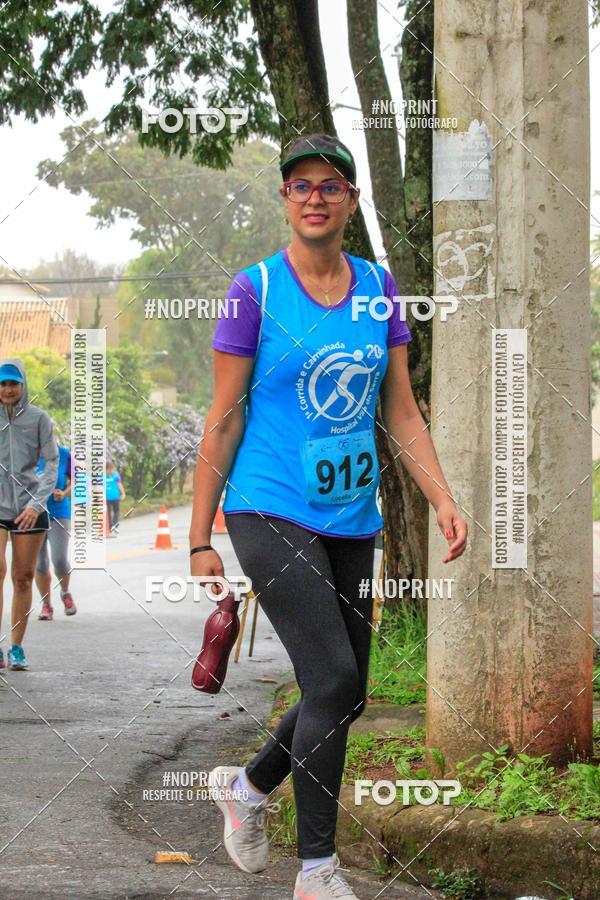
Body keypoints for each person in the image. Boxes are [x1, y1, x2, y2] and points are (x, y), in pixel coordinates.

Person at [189, 134, 468, 900]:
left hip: (352, 514)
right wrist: (197, 538)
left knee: (344, 693)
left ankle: (246, 789)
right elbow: (222, 418)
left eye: (331, 184)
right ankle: (316, 870)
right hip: (266, 504)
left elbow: (401, 408)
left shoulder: (378, 286)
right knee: (335, 675)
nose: (315, 196)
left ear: (350, 199)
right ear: (285, 198)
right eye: (301, 184)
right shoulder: (257, 290)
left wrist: (442, 495)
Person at [0, 359, 58, 671]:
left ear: (23, 385)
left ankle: (16, 647)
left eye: (13, 383)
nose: (8, 389)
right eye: (3, 383)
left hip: (29, 507)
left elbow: (51, 463)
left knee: (22, 578)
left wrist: (36, 504)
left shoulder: (38, 419)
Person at [36, 443, 77, 620]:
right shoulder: (27, 453)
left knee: (59, 559)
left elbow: (77, 478)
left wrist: (65, 492)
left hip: (59, 512)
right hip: (33, 514)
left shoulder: (64, 454)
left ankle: (65, 592)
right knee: (40, 563)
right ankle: (46, 606)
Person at [105, 461, 125, 535]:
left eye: (112, 469)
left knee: (116, 511)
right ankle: (110, 526)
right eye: (109, 470)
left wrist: (123, 493)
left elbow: (119, 484)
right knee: (108, 512)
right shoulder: (101, 475)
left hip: (115, 496)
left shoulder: (116, 475)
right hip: (106, 497)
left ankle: (115, 525)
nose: (111, 471)